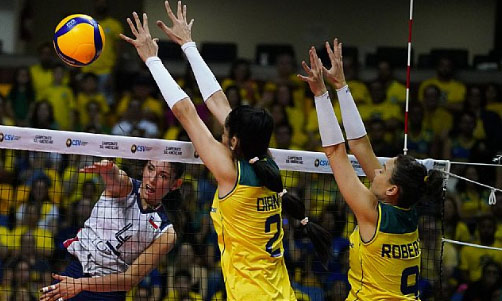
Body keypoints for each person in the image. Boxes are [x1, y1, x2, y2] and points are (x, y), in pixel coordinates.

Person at [119, 2, 331, 299]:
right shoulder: (265, 162)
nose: (222, 126)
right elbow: (218, 102)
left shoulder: (231, 172)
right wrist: (188, 45)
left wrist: (152, 59)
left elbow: (186, 113)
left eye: (227, 129)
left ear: (234, 142)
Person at [298, 39, 444, 300]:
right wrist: (341, 86)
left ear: (392, 189)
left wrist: (320, 95)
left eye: (382, 170)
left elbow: (335, 152)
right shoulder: (407, 208)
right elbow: (360, 145)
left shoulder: (373, 214)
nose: (375, 170)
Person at [39, 160, 184, 301]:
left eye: (163, 176)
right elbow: (116, 176)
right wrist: (108, 170)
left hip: (108, 292)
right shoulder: (125, 187)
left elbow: (129, 279)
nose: (152, 179)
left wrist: (80, 285)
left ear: (175, 184)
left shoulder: (166, 233)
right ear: (143, 168)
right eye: (150, 169)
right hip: (73, 274)